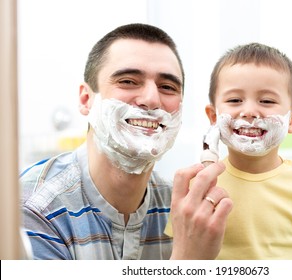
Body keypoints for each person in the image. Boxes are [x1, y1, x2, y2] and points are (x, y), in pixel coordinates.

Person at [20, 23, 232, 260]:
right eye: (128, 81)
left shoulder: (180, 211)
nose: (151, 99)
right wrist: (188, 261)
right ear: (86, 99)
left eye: (167, 87)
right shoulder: (32, 210)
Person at [202, 42, 292, 259]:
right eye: (234, 100)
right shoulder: (198, 187)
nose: (249, 111)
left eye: (267, 100)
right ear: (213, 117)